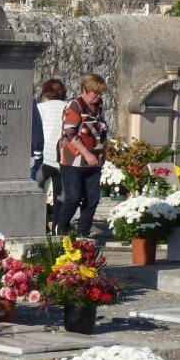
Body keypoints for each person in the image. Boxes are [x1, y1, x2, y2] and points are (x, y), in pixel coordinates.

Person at [56, 73, 108, 237]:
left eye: (100, 93)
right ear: (84, 90)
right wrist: (86, 153)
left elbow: (101, 130)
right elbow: (70, 134)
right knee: (73, 197)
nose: (97, 96)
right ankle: (61, 227)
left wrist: (104, 151)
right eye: (94, 92)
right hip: (73, 161)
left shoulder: (99, 106)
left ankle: (83, 234)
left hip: (94, 161)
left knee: (92, 199)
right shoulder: (74, 106)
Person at [36, 78, 68, 233]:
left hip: (43, 156)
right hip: (62, 156)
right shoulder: (69, 107)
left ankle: (38, 225)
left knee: (36, 191)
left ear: (45, 92)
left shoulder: (40, 108)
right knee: (60, 196)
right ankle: (58, 228)